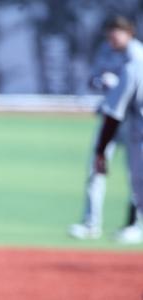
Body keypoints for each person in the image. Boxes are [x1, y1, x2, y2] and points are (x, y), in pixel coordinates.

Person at [68, 15, 142, 244]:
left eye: (116, 34)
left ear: (129, 33)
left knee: (137, 176)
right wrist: (103, 82)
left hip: (134, 123)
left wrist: (115, 85)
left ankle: (137, 225)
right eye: (109, 35)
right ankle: (91, 224)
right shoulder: (107, 51)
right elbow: (93, 79)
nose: (112, 39)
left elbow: (116, 111)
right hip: (115, 117)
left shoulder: (136, 60)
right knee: (96, 170)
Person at [92, 15, 143, 244]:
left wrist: (100, 150)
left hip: (137, 132)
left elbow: (113, 115)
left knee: (139, 181)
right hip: (134, 127)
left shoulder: (133, 66)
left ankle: (135, 225)